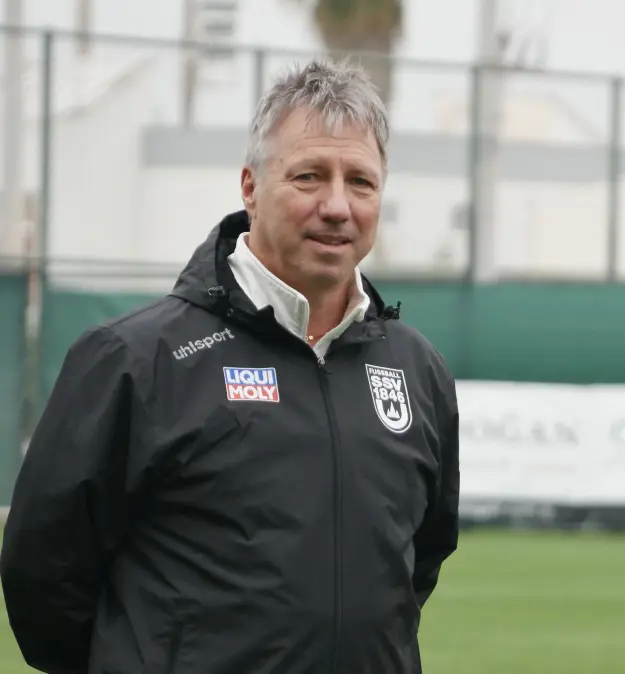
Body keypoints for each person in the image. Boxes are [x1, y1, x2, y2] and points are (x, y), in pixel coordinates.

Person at [0, 59, 460, 674]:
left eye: (361, 182)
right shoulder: (134, 360)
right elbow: (43, 574)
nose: (336, 206)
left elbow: (417, 564)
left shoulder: (418, 371)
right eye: (308, 177)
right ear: (250, 186)